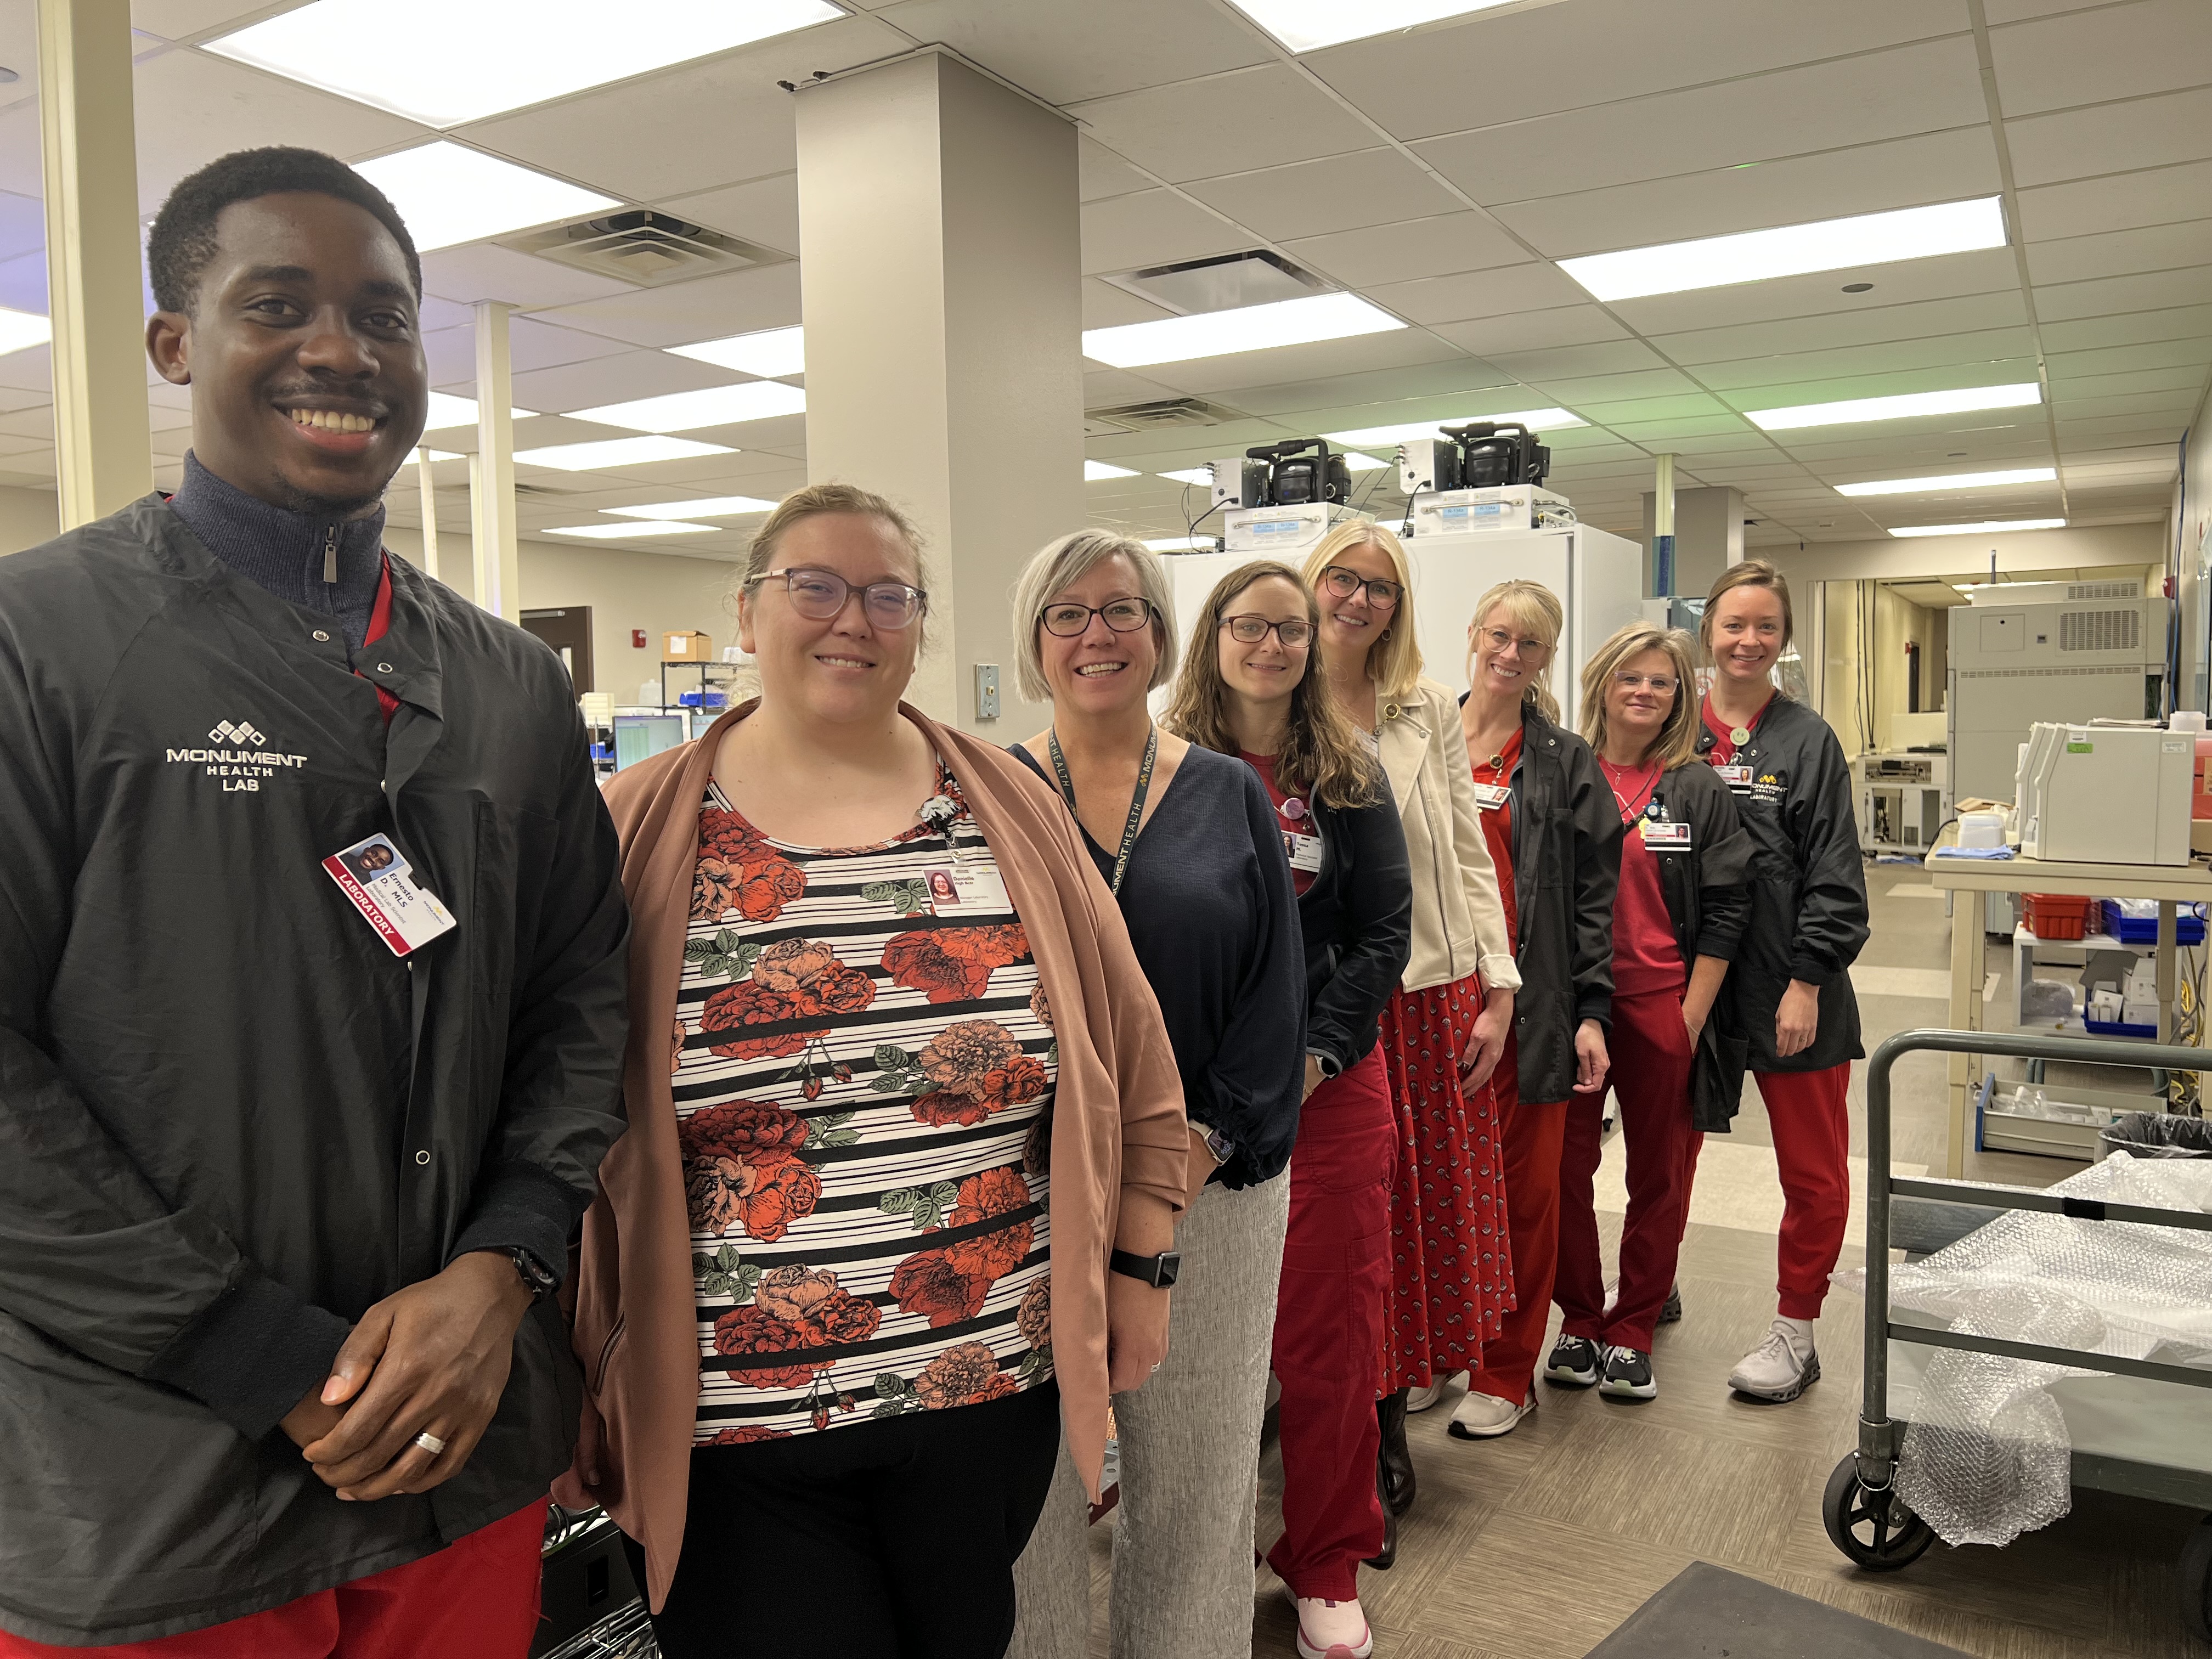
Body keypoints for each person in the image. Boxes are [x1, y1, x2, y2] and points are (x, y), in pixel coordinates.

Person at [0, 147, 630, 1652]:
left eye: (386, 316)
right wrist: (259, 1351)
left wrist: (504, 1267)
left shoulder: (508, 685)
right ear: (176, 341)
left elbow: (579, 1002)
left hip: (454, 1454)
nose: (342, 351)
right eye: (276, 304)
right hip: (150, 1478)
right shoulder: (45, 644)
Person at [558, 486, 1190, 1659]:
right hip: (735, 1422)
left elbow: (1130, 1050)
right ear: (749, 614)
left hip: (988, 1385)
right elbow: (547, 1103)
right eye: (817, 587)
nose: (854, 618)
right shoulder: (634, 828)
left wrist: (1143, 1262)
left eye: (889, 595)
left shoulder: (1008, 806)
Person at [1004, 531, 1307, 1659]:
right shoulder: (988, 792)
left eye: (1124, 610)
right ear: (1036, 642)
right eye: (1069, 612)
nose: (1098, 634)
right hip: (1026, 1194)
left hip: (1211, 1193)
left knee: (1193, 1489)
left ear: (1164, 636)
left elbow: (1277, 1004)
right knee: (1024, 1497)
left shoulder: (1229, 795)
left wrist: (1187, 1152)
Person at [1165, 560, 1411, 1659]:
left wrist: (1312, 1054)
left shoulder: (1348, 775)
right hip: (1188, 1100)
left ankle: (1324, 1562)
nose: (1271, 645)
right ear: (1212, 635)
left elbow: (1380, 934)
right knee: (1180, 1342)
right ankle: (1189, 1556)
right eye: (1248, 624)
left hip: (1328, 1094)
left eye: (1291, 629)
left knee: (1328, 1348)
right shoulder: (1160, 765)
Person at [1297, 523, 1520, 1547]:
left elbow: (1467, 851)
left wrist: (1499, 986)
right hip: (1329, 997)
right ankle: (1338, 1428)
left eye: (1379, 587)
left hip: (1430, 991)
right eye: (1342, 580)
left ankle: (1387, 1426)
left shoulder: (1427, 707)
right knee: (1346, 1237)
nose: (1358, 600)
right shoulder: (1274, 699)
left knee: (1414, 1227)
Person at [1413, 580, 1622, 1442]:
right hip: (1434, 999)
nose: (1510, 654)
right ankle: (1433, 1354)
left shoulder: (1565, 761)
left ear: (1546, 658)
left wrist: (1591, 1013)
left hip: (1532, 1005)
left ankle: (1506, 1372)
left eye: (1529, 644)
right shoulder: (1422, 736)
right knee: (1436, 1191)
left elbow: (1593, 903)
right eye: (1499, 635)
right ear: (1472, 634)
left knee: (1522, 1198)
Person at [1550, 624, 1752, 1402]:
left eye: (1662, 681)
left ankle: (1634, 1326)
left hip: (1665, 1002)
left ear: (1680, 696)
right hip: (1577, 1007)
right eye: (1630, 676)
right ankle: (1578, 1318)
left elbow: (1731, 907)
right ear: (1603, 680)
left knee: (1659, 1174)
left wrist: (1691, 1017)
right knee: (1567, 1168)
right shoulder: (1566, 771)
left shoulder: (1696, 785)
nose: (1644, 691)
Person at [1694, 560, 1870, 1403]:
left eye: (1765, 626)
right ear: (1709, 632)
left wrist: (1807, 981)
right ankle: (1649, 1286)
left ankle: (1796, 1330)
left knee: (1812, 1170)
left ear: (1783, 638)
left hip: (1791, 983)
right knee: (1667, 1150)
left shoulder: (1808, 741)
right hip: (1692, 985)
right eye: (1734, 625)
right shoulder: (1671, 729)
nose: (1748, 641)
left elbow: (1837, 874)